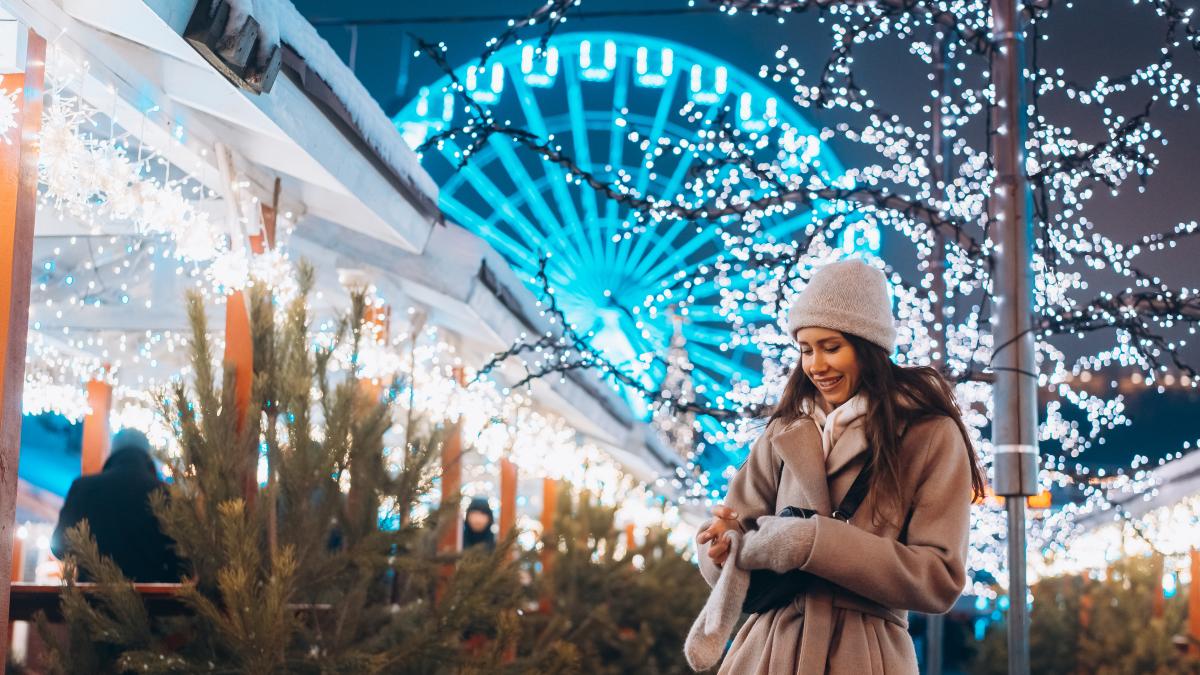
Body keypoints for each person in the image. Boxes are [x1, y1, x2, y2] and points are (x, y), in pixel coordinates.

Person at [685, 258, 986, 674]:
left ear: (868, 347)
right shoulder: (783, 432)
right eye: (806, 350)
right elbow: (741, 535)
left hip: (865, 653)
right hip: (767, 652)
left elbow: (938, 579)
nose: (816, 365)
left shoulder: (928, 434)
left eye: (831, 347)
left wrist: (814, 543)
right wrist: (721, 547)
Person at [51, 429, 181, 583]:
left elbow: (59, 547)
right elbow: (180, 559)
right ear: (147, 456)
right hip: (150, 596)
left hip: (91, 594)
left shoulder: (82, 488)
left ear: (112, 453)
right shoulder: (166, 493)